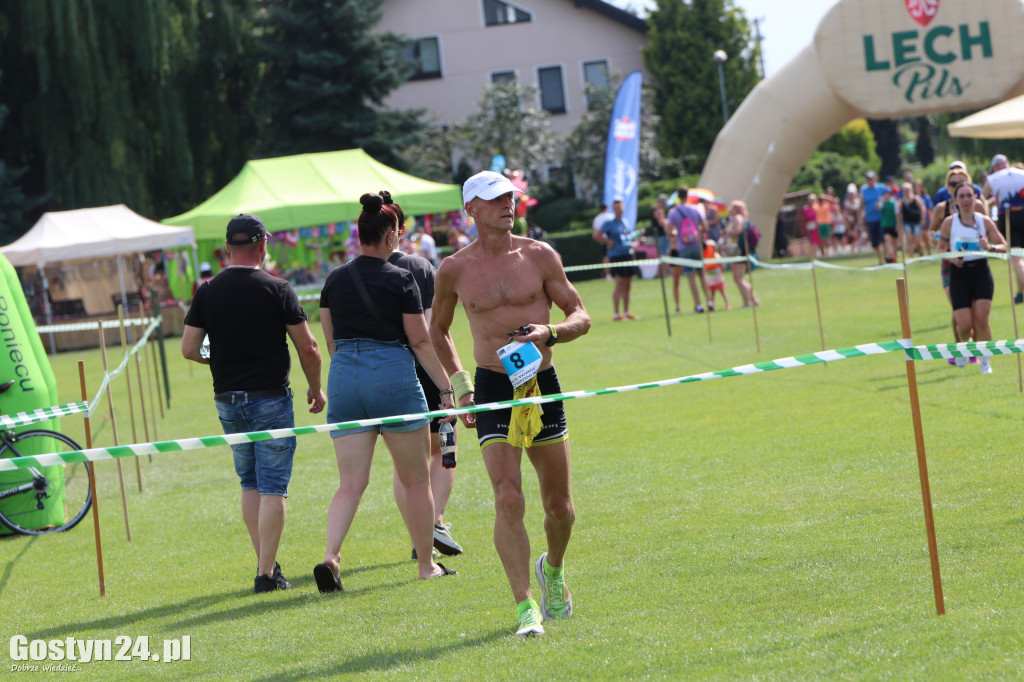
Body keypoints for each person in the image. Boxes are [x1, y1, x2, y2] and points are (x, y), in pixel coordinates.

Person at [430, 169, 591, 637]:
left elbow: (580, 314)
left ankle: (553, 571)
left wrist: (551, 332)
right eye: (495, 198)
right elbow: (437, 330)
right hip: (492, 388)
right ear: (471, 210)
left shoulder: (539, 255)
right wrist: (460, 386)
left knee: (559, 506)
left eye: (510, 196)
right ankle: (525, 608)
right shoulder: (454, 268)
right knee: (507, 496)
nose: (507, 204)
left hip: (540, 382)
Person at [314, 194, 458, 592]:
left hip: (343, 377)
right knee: (415, 481)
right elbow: (421, 342)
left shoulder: (333, 279)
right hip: (392, 375)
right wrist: (446, 390)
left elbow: (331, 343)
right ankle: (426, 564)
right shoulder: (402, 278)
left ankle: (331, 555)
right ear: (392, 234)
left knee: (350, 483)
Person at [181, 213, 327, 594]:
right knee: (273, 486)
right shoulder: (278, 287)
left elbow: (188, 349)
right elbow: (308, 347)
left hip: (228, 400)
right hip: (271, 399)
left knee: (250, 482)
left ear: (228, 248)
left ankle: (268, 566)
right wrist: (316, 388)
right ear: (264, 245)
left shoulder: (207, 290)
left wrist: (219, 358)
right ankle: (265, 574)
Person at [380, 191, 463, 560]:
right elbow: (433, 327)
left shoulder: (354, 271)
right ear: (398, 230)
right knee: (446, 447)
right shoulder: (420, 266)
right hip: (426, 368)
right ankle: (435, 521)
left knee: (405, 459)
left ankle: (421, 531)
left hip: (385, 373)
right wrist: (450, 377)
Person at [938, 182, 1006, 375]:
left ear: (975, 198)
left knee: (982, 320)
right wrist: (952, 258)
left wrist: (990, 247)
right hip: (959, 274)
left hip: (981, 272)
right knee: (965, 324)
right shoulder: (949, 223)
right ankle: (964, 347)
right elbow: (940, 249)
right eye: (962, 196)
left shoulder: (984, 221)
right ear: (956, 201)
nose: (966, 200)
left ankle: (985, 361)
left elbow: (1004, 245)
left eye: (969, 195)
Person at [930, 169, 988, 366]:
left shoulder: (978, 205)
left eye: (961, 183)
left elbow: (986, 229)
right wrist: (941, 238)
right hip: (950, 264)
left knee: (975, 312)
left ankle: (970, 351)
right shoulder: (941, 208)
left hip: (975, 265)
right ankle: (962, 348)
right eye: (953, 184)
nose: (957, 186)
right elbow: (931, 232)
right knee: (959, 309)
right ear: (949, 188)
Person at [982, 153, 1024, 303]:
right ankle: (1020, 293)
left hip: (1008, 217)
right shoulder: (1021, 173)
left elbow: (982, 198)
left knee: (1016, 258)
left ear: (995, 167)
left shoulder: (994, 178)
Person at [667, 187, 711, 313]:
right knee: (702, 275)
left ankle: (698, 305)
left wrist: (677, 234)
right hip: (696, 244)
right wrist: (697, 233)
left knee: (690, 277)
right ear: (688, 195)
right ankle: (709, 301)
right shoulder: (695, 209)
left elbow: (669, 231)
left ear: (678, 196)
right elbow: (705, 226)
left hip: (683, 247)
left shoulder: (673, 212)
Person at [597, 198, 638, 321]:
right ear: (613, 209)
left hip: (628, 255)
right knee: (619, 285)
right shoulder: (609, 223)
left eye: (620, 206)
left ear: (624, 207)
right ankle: (616, 314)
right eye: (616, 207)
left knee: (628, 285)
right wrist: (608, 241)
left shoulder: (625, 222)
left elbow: (628, 237)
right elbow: (597, 235)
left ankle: (626, 312)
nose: (618, 209)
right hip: (617, 257)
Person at [725, 200, 760, 307]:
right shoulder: (743, 218)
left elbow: (737, 231)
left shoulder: (737, 218)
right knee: (739, 278)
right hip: (742, 251)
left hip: (740, 251)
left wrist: (727, 233)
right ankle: (753, 300)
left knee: (739, 278)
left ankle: (747, 302)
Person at [860, 171, 886, 264]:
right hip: (870, 219)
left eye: (871, 178)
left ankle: (887, 256)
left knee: (883, 238)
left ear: (875, 178)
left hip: (882, 218)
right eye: (868, 179)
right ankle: (880, 259)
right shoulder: (863, 190)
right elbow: (861, 204)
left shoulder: (881, 187)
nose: (870, 180)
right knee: (875, 241)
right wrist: (860, 217)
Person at [899, 181, 927, 258]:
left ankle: (921, 254)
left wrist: (923, 219)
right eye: (904, 190)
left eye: (907, 190)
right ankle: (911, 257)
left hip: (917, 222)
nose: (906, 192)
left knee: (918, 241)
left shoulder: (916, 199)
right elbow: (899, 212)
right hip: (907, 222)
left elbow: (923, 209)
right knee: (909, 240)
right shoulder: (902, 201)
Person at [703, 238, 730, 310]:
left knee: (722, 291)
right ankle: (712, 306)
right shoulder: (706, 257)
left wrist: (722, 271)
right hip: (710, 278)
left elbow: (721, 265)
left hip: (717, 277)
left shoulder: (716, 256)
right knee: (712, 293)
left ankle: (727, 304)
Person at [591, 203, 615, 281]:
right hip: (612, 240)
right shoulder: (611, 216)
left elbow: (595, 230)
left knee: (605, 258)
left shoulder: (597, 218)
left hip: (603, 240)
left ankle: (608, 275)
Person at [651, 194, 671, 276]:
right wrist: (668, 222)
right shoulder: (658, 210)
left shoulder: (655, 209)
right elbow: (660, 222)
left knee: (662, 254)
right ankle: (665, 273)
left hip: (659, 235)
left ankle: (659, 273)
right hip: (661, 235)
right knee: (664, 254)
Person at [879, 187, 899, 263]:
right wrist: (879, 201)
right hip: (885, 225)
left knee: (895, 243)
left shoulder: (894, 203)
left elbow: (897, 214)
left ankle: (894, 256)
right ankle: (891, 255)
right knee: (888, 241)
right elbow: (878, 207)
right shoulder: (882, 203)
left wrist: (897, 224)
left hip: (893, 225)